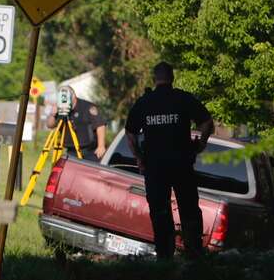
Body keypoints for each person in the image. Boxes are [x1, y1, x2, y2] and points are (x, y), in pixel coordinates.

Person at [125, 62, 214, 260]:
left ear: (154, 79)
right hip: (182, 164)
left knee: (159, 211)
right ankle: (194, 254)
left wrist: (139, 157)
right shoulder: (183, 99)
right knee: (189, 209)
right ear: (172, 78)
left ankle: (164, 257)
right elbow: (207, 123)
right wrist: (200, 144)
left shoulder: (144, 102)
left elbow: (130, 133)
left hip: (155, 168)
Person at [45, 85, 107, 161]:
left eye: (66, 96)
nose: (64, 100)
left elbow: (100, 125)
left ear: (73, 96)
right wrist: (53, 114)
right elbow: (50, 125)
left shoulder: (87, 107)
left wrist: (101, 146)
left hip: (90, 152)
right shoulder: (60, 107)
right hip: (71, 151)